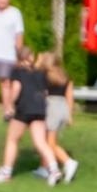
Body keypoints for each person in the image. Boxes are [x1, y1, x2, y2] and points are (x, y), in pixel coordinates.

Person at [0, 47, 59, 186]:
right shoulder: (40, 72)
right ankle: (54, 169)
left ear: (18, 58)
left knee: (12, 139)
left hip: (24, 108)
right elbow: (45, 92)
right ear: (31, 57)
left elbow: (16, 88)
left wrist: (9, 105)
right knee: (40, 142)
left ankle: (6, 172)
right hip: (40, 108)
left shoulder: (17, 72)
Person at [36, 51, 78, 183]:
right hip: (62, 107)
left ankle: (68, 162)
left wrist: (38, 61)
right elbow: (69, 96)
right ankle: (44, 167)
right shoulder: (66, 76)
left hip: (51, 106)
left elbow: (33, 75)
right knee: (46, 139)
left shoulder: (45, 75)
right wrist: (69, 115)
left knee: (50, 143)